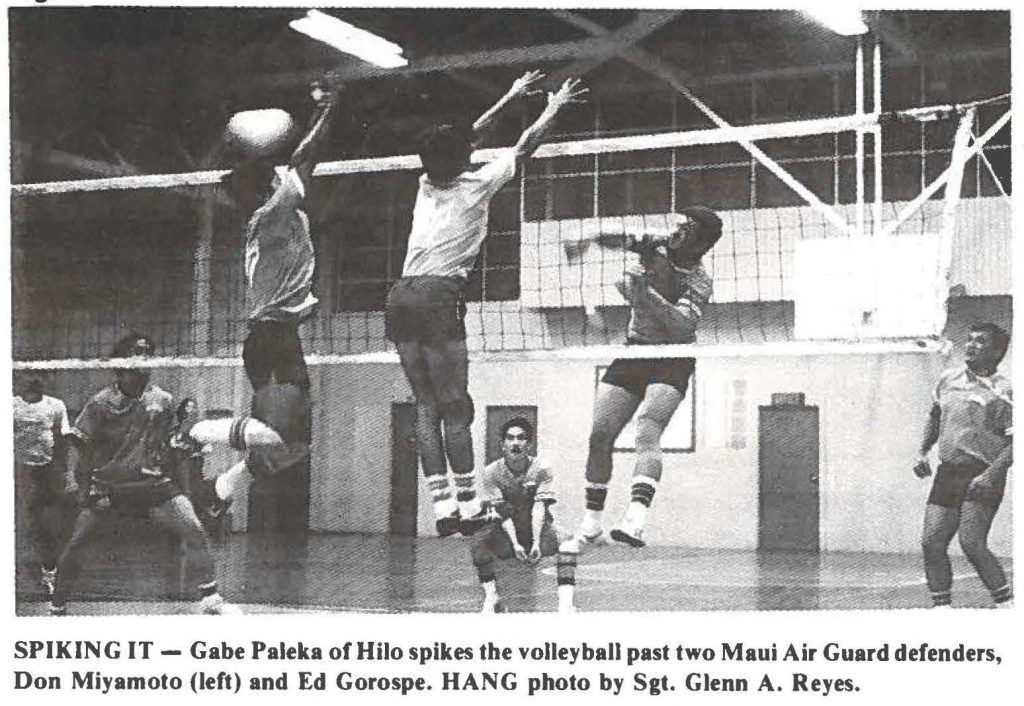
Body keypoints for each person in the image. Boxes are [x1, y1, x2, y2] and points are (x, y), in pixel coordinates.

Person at [385, 71, 587, 537]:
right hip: (439, 294)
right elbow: (525, 143)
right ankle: (470, 502)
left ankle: (441, 508)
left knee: (424, 404)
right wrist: (552, 106)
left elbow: (465, 138)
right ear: (462, 157)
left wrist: (510, 93)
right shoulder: (480, 183)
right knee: (457, 406)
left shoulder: (426, 182)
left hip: (400, 294)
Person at [556, 208, 723, 612]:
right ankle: (592, 524)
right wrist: (590, 237)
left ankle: (634, 519)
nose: (679, 229)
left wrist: (643, 295)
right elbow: (618, 236)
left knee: (648, 428)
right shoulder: (657, 242)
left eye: (689, 227)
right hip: (634, 351)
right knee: (599, 435)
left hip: (673, 357)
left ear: (701, 241)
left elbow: (683, 327)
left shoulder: (699, 279)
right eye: (681, 224)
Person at [189, 83, 339, 502]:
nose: (280, 175)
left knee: (298, 444)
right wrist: (327, 110)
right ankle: (197, 431)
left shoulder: (274, 211)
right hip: (270, 338)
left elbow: (296, 164)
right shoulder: (274, 213)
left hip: (279, 336)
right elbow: (304, 157)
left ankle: (229, 482)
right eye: (272, 175)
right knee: (277, 436)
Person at [50, 333, 237, 615]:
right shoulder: (100, 403)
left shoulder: (162, 400)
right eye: (139, 351)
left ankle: (211, 599)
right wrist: (87, 492)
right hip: (110, 487)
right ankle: (57, 606)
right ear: (124, 359)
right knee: (77, 544)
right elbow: (82, 452)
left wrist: (188, 449)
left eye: (150, 352)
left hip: (153, 484)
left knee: (196, 531)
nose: (147, 357)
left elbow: (170, 445)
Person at [915, 322, 1012, 608]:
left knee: (971, 544)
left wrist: (991, 475)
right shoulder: (947, 379)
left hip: (982, 473)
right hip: (948, 473)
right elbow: (934, 417)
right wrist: (922, 451)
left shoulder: (1005, 390)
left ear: (996, 352)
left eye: (980, 342)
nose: (970, 345)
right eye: (969, 340)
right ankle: (942, 609)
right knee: (931, 542)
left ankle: (1007, 605)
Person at [471, 418, 568, 613]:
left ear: (529, 444)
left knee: (569, 544)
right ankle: (492, 596)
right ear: (503, 444)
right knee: (478, 544)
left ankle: (566, 603)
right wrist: (515, 544)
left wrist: (536, 543)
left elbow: (539, 508)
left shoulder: (541, 469)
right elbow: (502, 513)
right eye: (510, 438)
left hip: (536, 528)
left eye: (521, 438)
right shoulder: (491, 472)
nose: (516, 443)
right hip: (505, 531)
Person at [13, 373, 71, 596]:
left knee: (46, 525)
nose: (32, 380)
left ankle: (50, 574)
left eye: (38, 375)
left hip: (45, 472)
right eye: (28, 375)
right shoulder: (10, 405)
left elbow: (65, 438)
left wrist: (67, 472)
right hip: (17, 470)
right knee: (22, 523)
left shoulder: (55, 406)